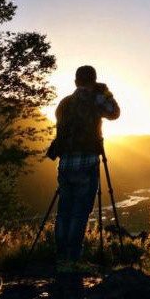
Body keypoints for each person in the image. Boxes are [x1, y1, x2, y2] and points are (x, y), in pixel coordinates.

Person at [49, 65, 120, 273]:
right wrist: (105, 92)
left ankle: (61, 260)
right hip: (87, 162)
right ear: (94, 81)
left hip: (64, 164)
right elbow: (115, 113)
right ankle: (73, 260)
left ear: (75, 82)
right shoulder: (96, 100)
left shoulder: (64, 103)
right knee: (80, 212)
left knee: (64, 212)